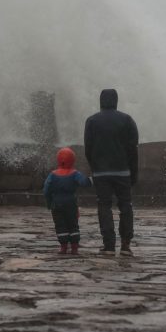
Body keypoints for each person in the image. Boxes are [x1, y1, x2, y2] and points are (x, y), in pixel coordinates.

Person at [84, 88, 139, 256]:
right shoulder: (127, 120)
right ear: (116, 101)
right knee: (125, 206)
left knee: (104, 206)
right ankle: (125, 244)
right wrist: (133, 172)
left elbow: (88, 148)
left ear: (101, 101)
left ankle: (108, 245)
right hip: (123, 172)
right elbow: (133, 149)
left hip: (101, 173)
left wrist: (95, 168)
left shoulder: (92, 121)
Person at [42, 147, 92, 254]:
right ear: (73, 160)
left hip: (56, 204)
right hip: (71, 203)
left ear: (58, 160)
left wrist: (49, 202)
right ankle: (74, 247)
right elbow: (84, 183)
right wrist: (94, 179)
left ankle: (63, 247)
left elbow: (46, 190)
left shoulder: (52, 174)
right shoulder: (75, 173)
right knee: (73, 224)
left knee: (60, 225)